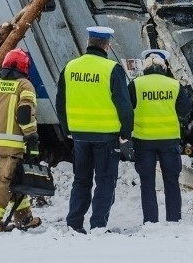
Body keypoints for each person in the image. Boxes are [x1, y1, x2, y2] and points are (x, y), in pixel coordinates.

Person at [55, 26, 133, 234]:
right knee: (105, 181)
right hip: (106, 137)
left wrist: (67, 129)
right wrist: (126, 132)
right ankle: (98, 225)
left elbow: (60, 102)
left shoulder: (70, 67)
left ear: (88, 43)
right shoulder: (112, 69)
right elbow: (124, 105)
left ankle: (74, 224)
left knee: (81, 180)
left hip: (79, 136)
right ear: (107, 45)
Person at [0, 48, 42, 232]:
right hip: (13, 144)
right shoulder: (24, 85)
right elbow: (24, 115)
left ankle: (24, 218)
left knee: (15, 180)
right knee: (5, 183)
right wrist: (32, 137)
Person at [129, 49, 193, 224]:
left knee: (147, 182)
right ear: (164, 66)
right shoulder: (174, 85)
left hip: (143, 141)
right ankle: (174, 219)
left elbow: (126, 109)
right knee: (171, 181)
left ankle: (150, 221)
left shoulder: (136, 84)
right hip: (169, 140)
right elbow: (186, 110)